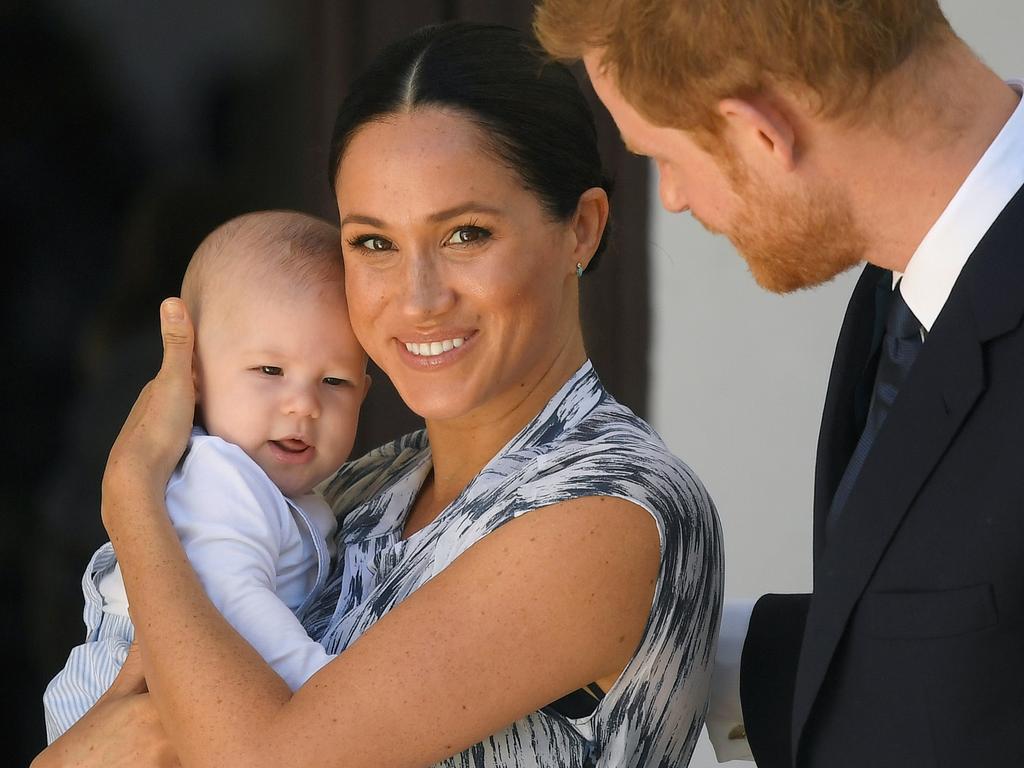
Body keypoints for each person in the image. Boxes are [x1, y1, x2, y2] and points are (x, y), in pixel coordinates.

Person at [32, 22, 723, 768]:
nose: (418, 298)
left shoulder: (608, 508)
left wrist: (133, 494)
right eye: (373, 243)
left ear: (580, 230)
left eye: (465, 234)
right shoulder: (362, 487)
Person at [534, 1, 1024, 766]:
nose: (673, 198)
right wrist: (669, 638)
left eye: (662, 156)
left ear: (762, 133)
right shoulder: (910, 281)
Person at [42, 210, 371, 741]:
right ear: (192, 375)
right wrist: (322, 687)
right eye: (270, 370)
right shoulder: (220, 478)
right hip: (127, 703)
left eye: (335, 382)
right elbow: (232, 599)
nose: (304, 404)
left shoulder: (295, 493)